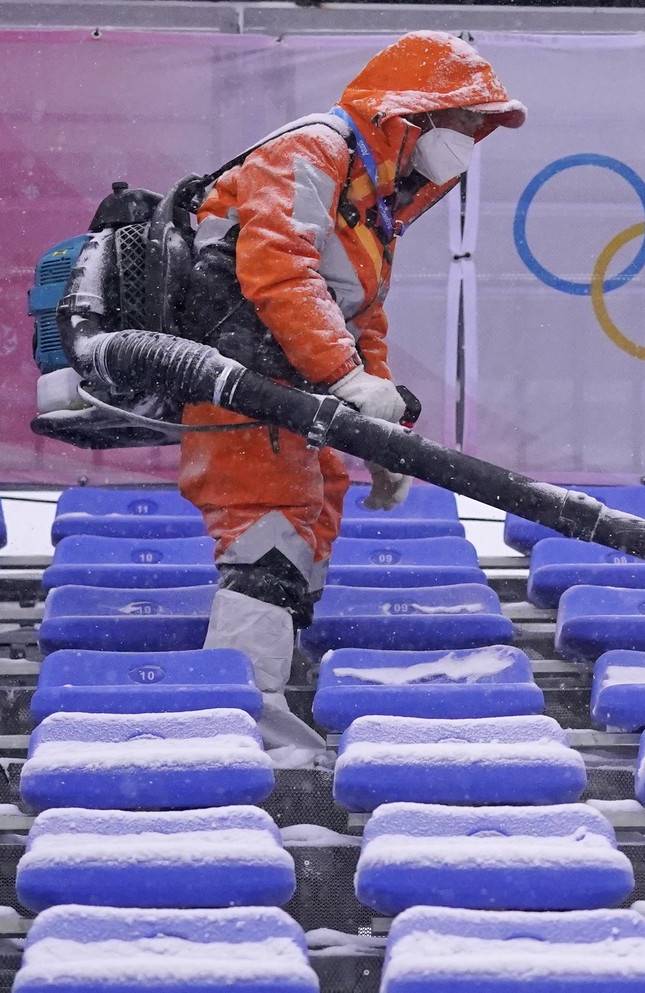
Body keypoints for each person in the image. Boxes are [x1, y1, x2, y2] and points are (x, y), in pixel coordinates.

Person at [177, 32, 525, 748]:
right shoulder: (308, 152)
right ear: (411, 114)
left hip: (293, 389)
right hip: (245, 387)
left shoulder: (375, 197)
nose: (469, 143)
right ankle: (244, 731)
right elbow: (279, 275)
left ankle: (270, 699)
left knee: (314, 513)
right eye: (463, 123)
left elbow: (358, 314)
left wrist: (378, 434)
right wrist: (346, 380)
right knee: (267, 535)